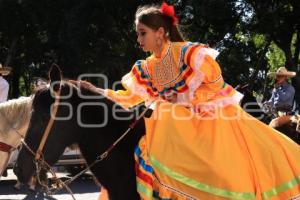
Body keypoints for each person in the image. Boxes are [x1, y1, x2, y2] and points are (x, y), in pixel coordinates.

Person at [83, 2, 300, 199]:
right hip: (177, 124)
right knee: (156, 118)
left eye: (142, 33)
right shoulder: (146, 66)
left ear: (160, 32)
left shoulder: (188, 54)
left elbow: (215, 84)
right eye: (138, 34)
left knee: (220, 168)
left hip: (208, 118)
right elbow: (131, 97)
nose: (138, 40)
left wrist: (181, 99)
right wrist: (96, 92)